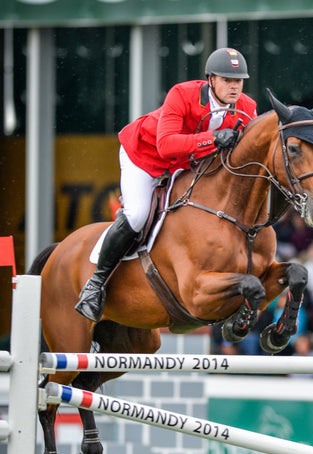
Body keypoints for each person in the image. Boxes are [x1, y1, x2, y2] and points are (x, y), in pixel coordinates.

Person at [75, 47, 257, 322]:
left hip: (187, 166)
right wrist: (213, 138)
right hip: (146, 157)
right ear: (210, 79)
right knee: (137, 215)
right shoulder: (182, 94)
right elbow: (166, 144)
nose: (234, 87)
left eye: (239, 81)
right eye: (227, 80)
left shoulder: (247, 108)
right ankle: (95, 285)